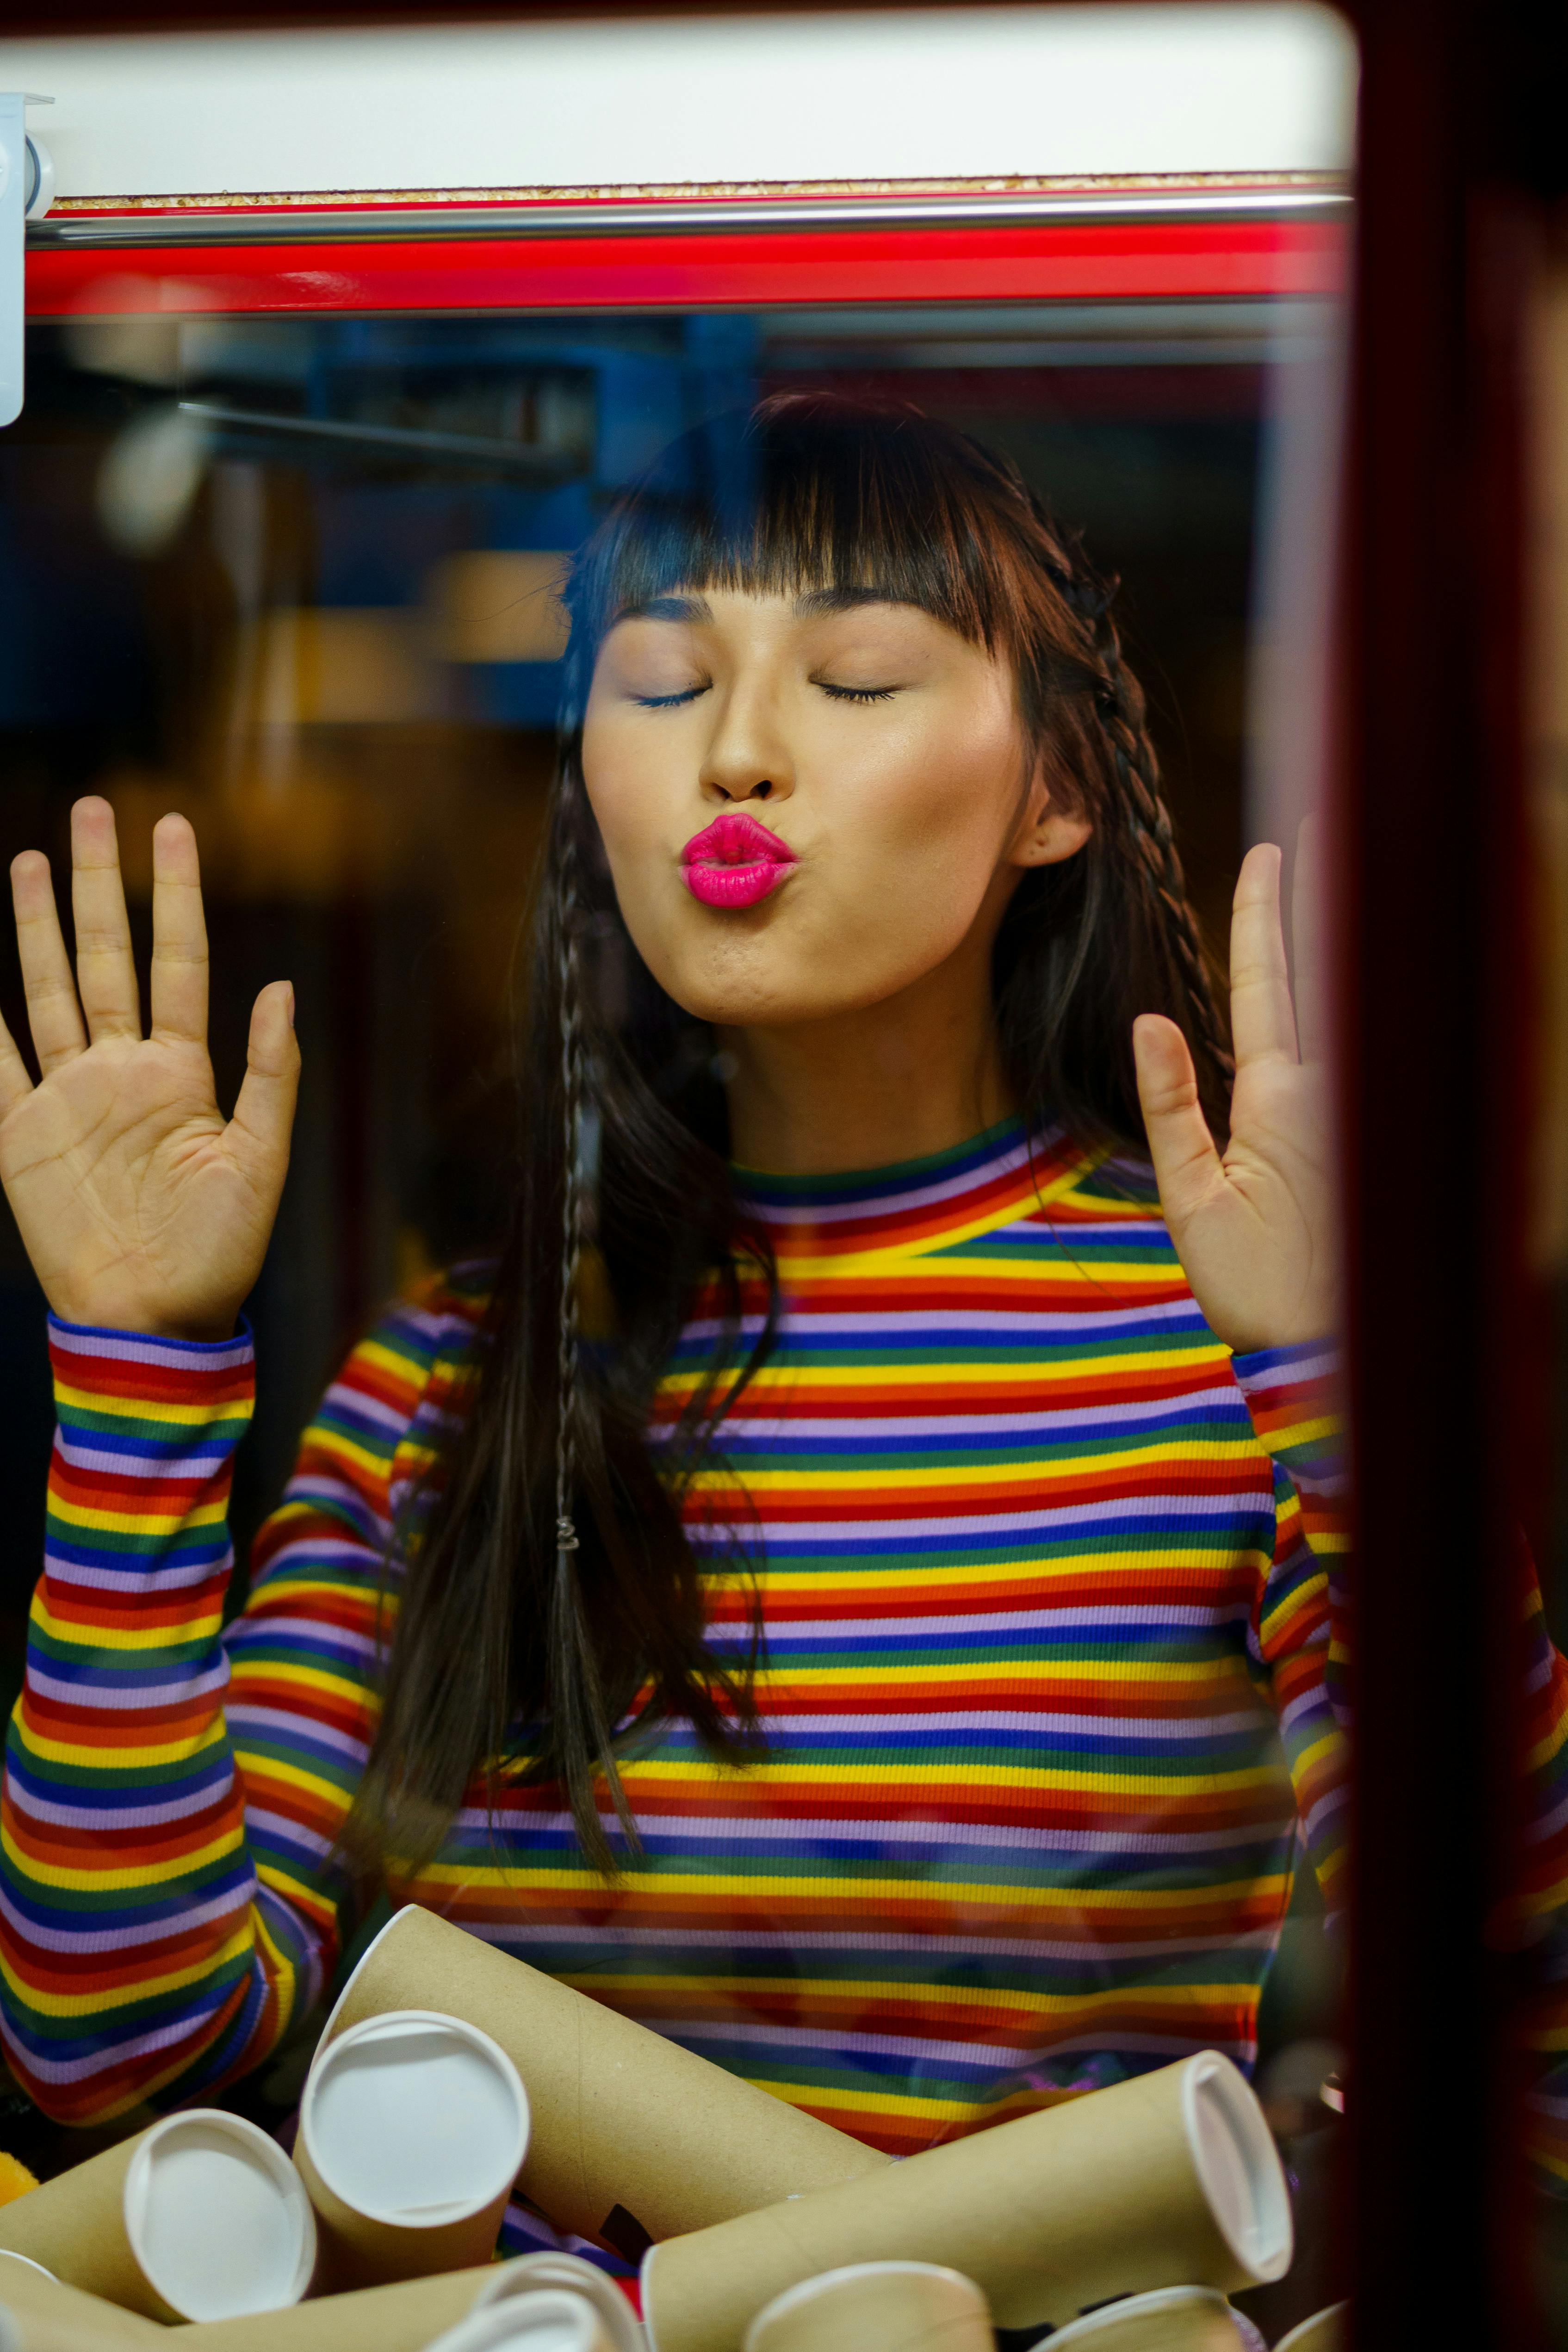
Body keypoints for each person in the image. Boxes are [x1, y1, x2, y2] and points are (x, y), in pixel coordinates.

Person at [0, 396, 1556, 2249]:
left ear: (1053, 786)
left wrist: (1332, 1399)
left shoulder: (1220, 1348)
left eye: (856, 675)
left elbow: (1511, 1983)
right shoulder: (444, 1385)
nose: (736, 754)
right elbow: (125, 2049)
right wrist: (138, 1372)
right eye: (663, 683)